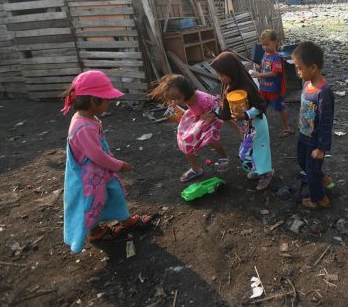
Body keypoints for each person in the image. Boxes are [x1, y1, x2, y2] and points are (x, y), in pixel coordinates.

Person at [60, 71, 153, 253]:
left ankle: (125, 221)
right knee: (91, 205)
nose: (109, 102)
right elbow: (97, 155)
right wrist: (118, 165)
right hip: (88, 178)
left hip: (97, 173)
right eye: (106, 98)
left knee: (112, 194)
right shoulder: (83, 127)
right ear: (94, 100)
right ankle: (95, 232)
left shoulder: (87, 118)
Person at [148, 74, 240, 182]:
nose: (175, 101)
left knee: (211, 138)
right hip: (198, 116)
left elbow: (223, 113)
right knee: (184, 139)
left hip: (211, 117)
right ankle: (196, 169)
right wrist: (174, 104)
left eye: (177, 98)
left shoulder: (204, 100)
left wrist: (238, 129)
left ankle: (224, 156)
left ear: (186, 92)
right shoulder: (184, 98)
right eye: (172, 99)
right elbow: (181, 102)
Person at [209, 52, 275, 190]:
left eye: (222, 75)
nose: (220, 79)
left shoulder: (247, 85)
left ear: (231, 71)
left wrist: (245, 114)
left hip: (258, 124)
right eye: (219, 75)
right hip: (247, 126)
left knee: (259, 150)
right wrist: (215, 113)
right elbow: (225, 109)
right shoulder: (229, 87)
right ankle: (258, 171)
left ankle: (266, 173)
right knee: (248, 150)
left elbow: (260, 106)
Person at [292, 42, 334, 209]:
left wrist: (322, 148)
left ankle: (320, 199)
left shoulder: (323, 93)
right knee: (303, 162)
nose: (297, 72)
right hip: (304, 135)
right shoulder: (306, 85)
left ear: (314, 67)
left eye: (299, 68)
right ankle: (323, 177)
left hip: (315, 142)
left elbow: (326, 122)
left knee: (310, 172)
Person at [249, 29, 292, 138]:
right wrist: (255, 68)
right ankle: (263, 126)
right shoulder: (265, 55)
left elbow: (274, 73)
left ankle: (287, 127)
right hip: (263, 88)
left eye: (268, 45)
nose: (265, 47)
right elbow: (263, 68)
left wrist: (258, 75)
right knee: (262, 107)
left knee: (280, 108)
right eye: (263, 45)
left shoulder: (277, 57)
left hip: (274, 89)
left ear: (275, 42)